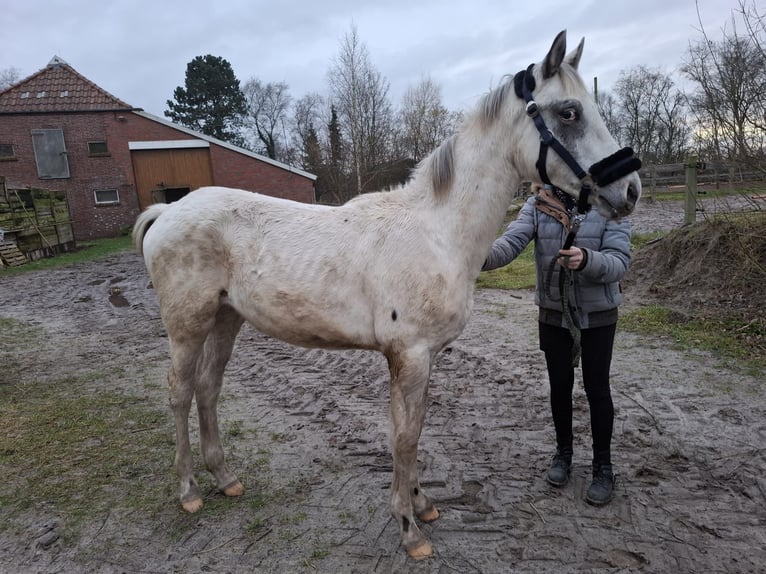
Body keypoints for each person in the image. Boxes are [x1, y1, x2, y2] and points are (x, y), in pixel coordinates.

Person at [483, 183, 632, 506]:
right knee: (560, 387)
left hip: (597, 316)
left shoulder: (610, 204)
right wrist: (470, 254)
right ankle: (563, 454)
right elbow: (509, 245)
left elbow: (620, 262)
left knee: (597, 389)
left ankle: (602, 467)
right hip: (554, 314)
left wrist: (587, 259)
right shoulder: (538, 204)